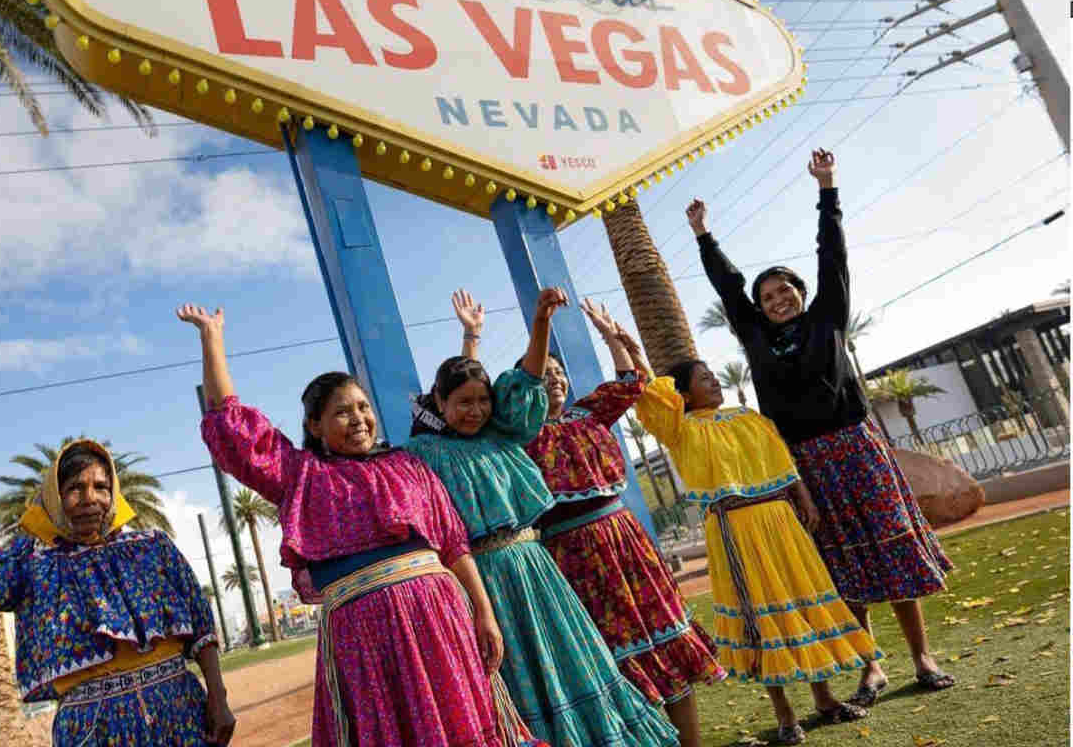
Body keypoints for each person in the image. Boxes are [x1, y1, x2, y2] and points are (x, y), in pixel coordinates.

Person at [178, 304, 543, 747]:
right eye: (342, 412)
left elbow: (453, 544)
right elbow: (233, 430)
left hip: (437, 620)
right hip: (363, 640)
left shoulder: (409, 466)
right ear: (314, 425)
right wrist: (212, 339)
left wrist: (484, 615)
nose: (359, 420)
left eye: (364, 408)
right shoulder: (301, 476)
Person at [686, 148, 955, 707]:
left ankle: (922, 657)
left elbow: (832, 256)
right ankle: (870, 666)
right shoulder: (754, 336)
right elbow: (729, 288)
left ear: (801, 295)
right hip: (805, 464)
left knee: (891, 550)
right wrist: (704, 237)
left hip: (857, 449)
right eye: (767, 297)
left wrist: (827, 189)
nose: (777, 300)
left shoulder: (827, 316)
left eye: (785, 292)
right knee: (838, 565)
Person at [407, 288, 681, 747]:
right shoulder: (424, 453)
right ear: (439, 402)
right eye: (462, 403)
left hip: (535, 566)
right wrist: (470, 339)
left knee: (573, 659)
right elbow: (459, 384)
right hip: (482, 579)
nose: (475, 411)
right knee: (515, 675)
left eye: (483, 401)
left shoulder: (504, 432)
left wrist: (540, 322)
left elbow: (526, 379)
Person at [0, 413, 235, 746]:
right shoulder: (31, 564)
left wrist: (218, 697)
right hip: (93, 731)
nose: (90, 498)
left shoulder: (152, 548)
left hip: (182, 713)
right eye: (75, 488)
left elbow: (201, 626)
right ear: (53, 497)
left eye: (101, 487)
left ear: (115, 492)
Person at [636, 359, 880, 745]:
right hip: (734, 529)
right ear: (683, 394)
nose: (714, 380)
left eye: (712, 374)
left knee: (802, 605)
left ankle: (824, 699)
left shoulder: (749, 418)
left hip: (781, 522)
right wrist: (627, 346)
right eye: (703, 378)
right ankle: (785, 716)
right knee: (760, 620)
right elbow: (652, 394)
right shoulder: (679, 429)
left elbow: (782, 459)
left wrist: (804, 499)